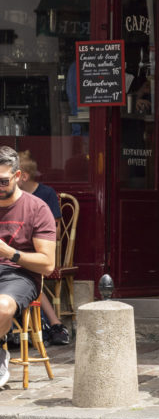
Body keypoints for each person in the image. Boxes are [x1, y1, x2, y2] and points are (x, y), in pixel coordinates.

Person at [0, 146, 57, 389]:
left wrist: (9, 252)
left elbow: (48, 264)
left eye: (3, 181)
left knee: (2, 306)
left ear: (17, 176)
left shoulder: (37, 208)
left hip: (19, 274)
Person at [17, 151, 70, 345]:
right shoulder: (10, 196)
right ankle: (48, 325)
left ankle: (48, 325)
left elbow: (55, 231)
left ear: (23, 176)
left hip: (41, 250)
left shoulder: (46, 194)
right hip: (17, 250)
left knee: (23, 269)